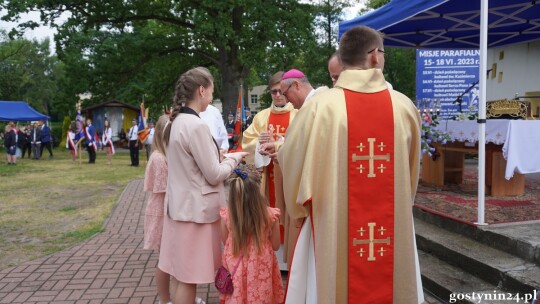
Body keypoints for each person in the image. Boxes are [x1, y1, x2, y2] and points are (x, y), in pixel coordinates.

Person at [278, 25, 423, 303]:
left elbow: (290, 157)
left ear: (343, 61)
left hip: (330, 224)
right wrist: (403, 203)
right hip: (391, 224)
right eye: (382, 53)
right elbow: (411, 170)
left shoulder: (319, 107)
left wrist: (298, 209)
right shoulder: (404, 107)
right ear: (374, 56)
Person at [159, 67, 246, 304]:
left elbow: (190, 164)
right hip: (195, 213)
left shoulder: (175, 122)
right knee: (189, 278)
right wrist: (234, 158)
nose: (212, 96)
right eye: (211, 91)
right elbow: (214, 174)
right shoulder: (196, 125)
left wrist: (216, 156)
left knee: (180, 275)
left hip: (179, 208)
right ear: (201, 90)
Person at [242, 71, 298, 268]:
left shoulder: (298, 114)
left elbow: (302, 143)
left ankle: (290, 257)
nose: (277, 95)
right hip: (267, 178)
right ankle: (270, 256)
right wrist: (258, 143)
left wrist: (279, 144)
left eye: (280, 91)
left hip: (290, 179)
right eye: (273, 91)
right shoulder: (261, 117)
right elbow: (246, 143)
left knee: (289, 214)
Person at [219, 164, 284, 304]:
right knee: (261, 296)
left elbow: (226, 241)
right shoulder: (270, 215)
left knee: (237, 295)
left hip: (235, 263)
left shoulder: (227, 216)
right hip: (261, 267)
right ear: (257, 191)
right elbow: (276, 245)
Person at [143, 114, 172, 304]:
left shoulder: (163, 155)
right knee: (165, 259)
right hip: (162, 210)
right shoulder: (159, 158)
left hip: (165, 207)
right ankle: (164, 299)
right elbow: (164, 187)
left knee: (170, 257)